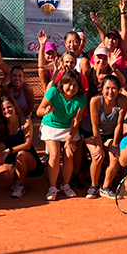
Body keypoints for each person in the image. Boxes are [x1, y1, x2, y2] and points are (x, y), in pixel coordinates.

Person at [0, 96, 43, 198]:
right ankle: (17, 178)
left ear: (14, 106)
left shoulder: (25, 121)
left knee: (21, 155)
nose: (7, 110)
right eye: (3, 109)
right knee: (4, 174)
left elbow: (27, 145)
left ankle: (20, 185)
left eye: (9, 107)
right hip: (12, 156)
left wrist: (7, 151)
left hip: (28, 157)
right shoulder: (0, 125)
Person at [37, 69, 87, 200]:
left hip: (69, 128)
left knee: (69, 154)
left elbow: (76, 120)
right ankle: (53, 187)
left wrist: (69, 140)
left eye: (75, 85)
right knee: (54, 154)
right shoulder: (53, 91)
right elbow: (38, 111)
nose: (72, 88)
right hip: (51, 125)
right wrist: (45, 111)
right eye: (69, 84)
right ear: (62, 83)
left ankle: (66, 185)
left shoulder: (81, 98)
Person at [81, 75, 127, 198]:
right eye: (107, 88)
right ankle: (93, 186)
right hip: (90, 132)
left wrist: (115, 144)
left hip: (109, 134)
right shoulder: (95, 101)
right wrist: (99, 146)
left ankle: (105, 187)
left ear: (119, 90)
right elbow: (94, 126)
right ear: (101, 89)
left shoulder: (123, 101)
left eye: (114, 88)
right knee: (98, 156)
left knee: (115, 157)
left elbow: (119, 124)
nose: (110, 91)